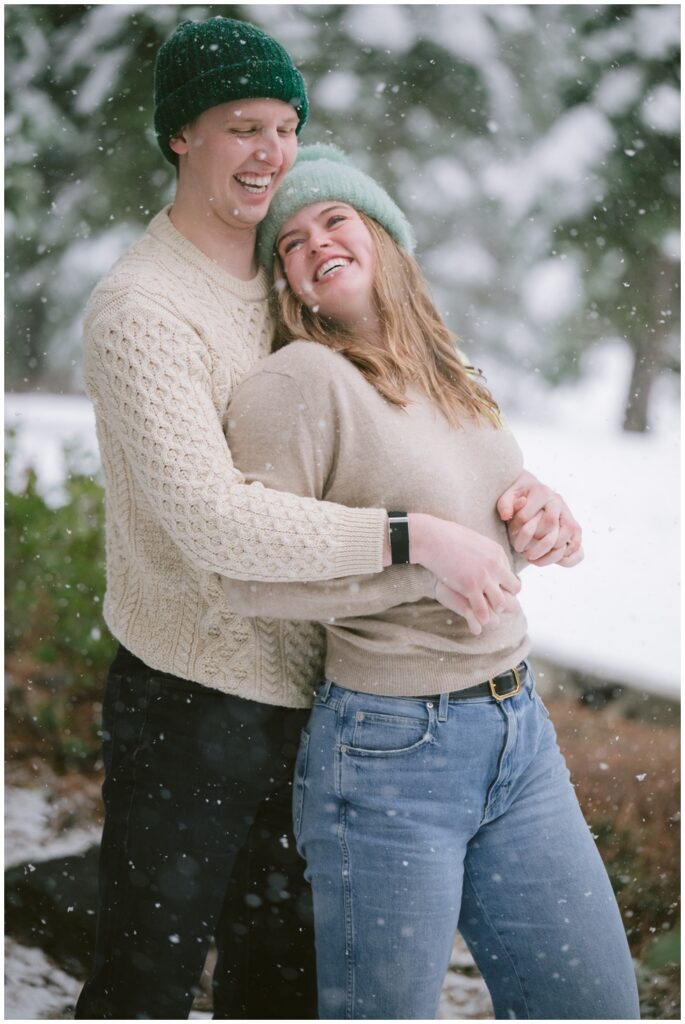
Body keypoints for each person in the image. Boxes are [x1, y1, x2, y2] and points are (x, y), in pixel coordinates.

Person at [76, 16, 583, 1021]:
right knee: (145, 982)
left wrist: (518, 495)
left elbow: (395, 408)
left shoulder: (288, 275)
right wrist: (410, 539)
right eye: (241, 128)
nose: (270, 153)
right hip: (191, 699)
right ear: (181, 135)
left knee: (281, 985)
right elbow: (214, 522)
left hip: (328, 696)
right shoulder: (143, 309)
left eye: (284, 127)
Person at [221, 145, 640, 1020]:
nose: (314, 243)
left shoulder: (447, 369)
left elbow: (471, 515)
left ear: (381, 235)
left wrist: (539, 513)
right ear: (287, 284)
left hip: (517, 733)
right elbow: (247, 575)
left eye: (333, 218)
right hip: (389, 752)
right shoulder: (300, 381)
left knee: (594, 1005)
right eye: (290, 242)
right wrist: (415, 561)